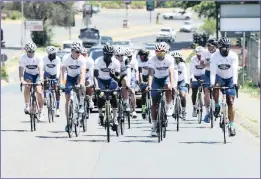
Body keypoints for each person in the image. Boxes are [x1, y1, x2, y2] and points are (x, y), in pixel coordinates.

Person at [210, 37, 238, 136]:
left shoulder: (233, 56)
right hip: (219, 77)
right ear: (220, 48)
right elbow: (212, 72)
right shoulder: (214, 56)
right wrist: (211, 83)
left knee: (230, 101)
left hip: (230, 78)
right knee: (216, 86)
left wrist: (235, 82)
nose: (226, 50)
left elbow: (235, 70)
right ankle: (217, 105)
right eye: (224, 48)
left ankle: (232, 124)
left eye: (228, 48)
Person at [146, 42, 175, 137]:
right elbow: (150, 74)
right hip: (156, 80)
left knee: (168, 87)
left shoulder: (170, 59)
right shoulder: (152, 60)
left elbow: (171, 73)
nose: (159, 55)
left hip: (166, 78)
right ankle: (154, 126)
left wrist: (172, 85)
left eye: (161, 53)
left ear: (165, 52)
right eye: (157, 53)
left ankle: (169, 105)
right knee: (154, 104)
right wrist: (149, 85)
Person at [60, 42, 86, 132]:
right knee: (67, 100)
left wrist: (81, 84)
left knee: (81, 84)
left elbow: (83, 72)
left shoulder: (82, 59)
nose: (78, 53)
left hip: (78, 76)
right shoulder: (66, 59)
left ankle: (81, 103)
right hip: (70, 78)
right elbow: (63, 71)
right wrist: (62, 83)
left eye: (79, 52)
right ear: (72, 51)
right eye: (77, 52)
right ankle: (68, 122)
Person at [93, 45, 121, 131]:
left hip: (111, 80)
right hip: (100, 80)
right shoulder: (98, 61)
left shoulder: (116, 62)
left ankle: (115, 118)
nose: (108, 56)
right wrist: (97, 87)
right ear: (103, 54)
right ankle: (101, 114)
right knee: (101, 96)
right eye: (107, 55)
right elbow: (95, 76)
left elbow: (118, 78)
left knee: (114, 96)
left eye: (110, 55)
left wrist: (114, 76)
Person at [19, 42, 44, 121]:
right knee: (27, 86)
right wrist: (22, 80)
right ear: (26, 51)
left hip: (37, 75)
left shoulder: (38, 58)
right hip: (28, 74)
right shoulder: (23, 58)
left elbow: (40, 70)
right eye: (30, 51)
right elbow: (21, 70)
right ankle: (27, 105)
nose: (31, 53)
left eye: (33, 51)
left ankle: (40, 110)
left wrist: (41, 79)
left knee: (39, 92)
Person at [200, 38, 218, 123]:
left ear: (214, 46)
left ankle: (216, 105)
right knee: (206, 92)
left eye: (209, 46)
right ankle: (207, 113)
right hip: (208, 72)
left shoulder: (218, 52)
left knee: (215, 91)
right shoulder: (204, 52)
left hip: (217, 73)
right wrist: (206, 64)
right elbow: (201, 64)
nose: (208, 47)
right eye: (207, 45)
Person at [43, 46, 62, 117]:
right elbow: (42, 68)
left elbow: (58, 68)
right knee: (45, 80)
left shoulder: (58, 59)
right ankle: (45, 97)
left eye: (55, 54)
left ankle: (57, 108)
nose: (54, 55)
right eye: (52, 54)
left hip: (55, 74)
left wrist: (57, 77)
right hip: (47, 73)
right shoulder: (44, 59)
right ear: (49, 54)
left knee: (57, 89)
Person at [171, 51, 189, 120]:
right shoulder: (171, 65)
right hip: (174, 81)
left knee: (182, 95)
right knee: (172, 94)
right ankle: (172, 108)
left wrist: (187, 82)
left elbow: (185, 74)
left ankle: (183, 111)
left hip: (182, 81)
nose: (176, 60)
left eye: (178, 58)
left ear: (180, 59)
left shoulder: (182, 65)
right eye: (175, 58)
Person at [114, 46, 132, 114]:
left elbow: (129, 71)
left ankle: (126, 102)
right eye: (117, 56)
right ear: (115, 56)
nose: (120, 57)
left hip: (124, 75)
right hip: (116, 75)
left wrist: (128, 83)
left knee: (125, 83)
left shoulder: (126, 60)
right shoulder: (113, 60)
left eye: (121, 55)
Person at [190, 46, 205, 117]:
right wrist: (192, 78)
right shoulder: (193, 59)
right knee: (194, 91)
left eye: (200, 55)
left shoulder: (205, 58)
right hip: (195, 76)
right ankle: (194, 107)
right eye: (198, 55)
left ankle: (206, 101)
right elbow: (191, 70)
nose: (199, 56)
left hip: (203, 75)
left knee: (206, 88)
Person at [125, 48, 139, 118]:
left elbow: (136, 71)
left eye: (130, 57)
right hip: (124, 77)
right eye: (127, 57)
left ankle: (134, 110)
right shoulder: (122, 61)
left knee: (133, 92)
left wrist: (137, 78)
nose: (128, 58)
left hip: (132, 77)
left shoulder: (134, 61)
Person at [137, 49, 150, 119]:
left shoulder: (150, 61)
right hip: (143, 77)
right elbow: (140, 72)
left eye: (142, 56)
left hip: (150, 75)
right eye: (140, 56)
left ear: (146, 56)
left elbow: (152, 72)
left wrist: (150, 81)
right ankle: (143, 109)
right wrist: (141, 80)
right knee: (144, 94)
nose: (140, 57)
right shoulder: (139, 61)